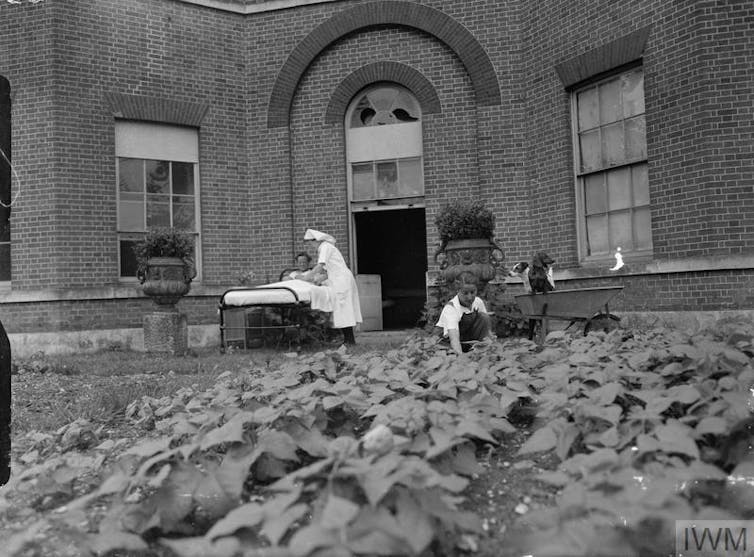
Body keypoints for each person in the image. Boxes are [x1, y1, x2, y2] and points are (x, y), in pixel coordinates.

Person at [303, 229, 362, 345]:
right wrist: (317, 279)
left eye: (310, 243)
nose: (311, 246)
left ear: (316, 241)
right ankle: (348, 340)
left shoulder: (325, 247)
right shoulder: (324, 248)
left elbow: (320, 266)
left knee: (344, 309)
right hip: (339, 279)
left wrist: (305, 277)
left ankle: (349, 341)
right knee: (342, 309)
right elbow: (327, 272)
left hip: (341, 280)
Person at [436, 272, 493, 354]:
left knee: (484, 317)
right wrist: (461, 358)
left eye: (472, 292)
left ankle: (480, 351)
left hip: (467, 341)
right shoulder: (451, 308)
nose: (469, 297)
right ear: (457, 290)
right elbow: (454, 338)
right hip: (448, 343)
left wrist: (491, 343)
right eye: (465, 293)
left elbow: (486, 328)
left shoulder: (478, 302)